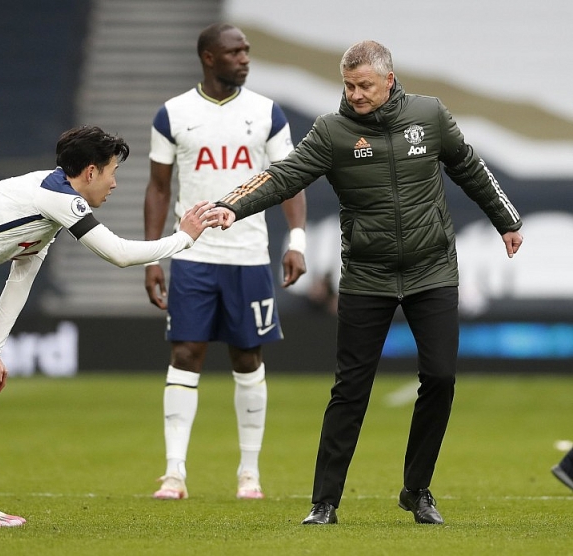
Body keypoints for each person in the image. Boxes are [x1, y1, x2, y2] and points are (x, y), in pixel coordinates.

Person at [209, 40, 523, 524]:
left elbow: (469, 166)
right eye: (348, 85)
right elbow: (284, 175)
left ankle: (417, 491)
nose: (354, 94)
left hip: (432, 269)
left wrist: (505, 218)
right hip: (367, 275)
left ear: (389, 81)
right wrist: (232, 204)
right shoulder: (332, 132)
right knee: (351, 389)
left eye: (364, 86)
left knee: (439, 377)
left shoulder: (430, 115)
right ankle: (325, 503)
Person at [0, 125, 217, 527]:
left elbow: (21, 277)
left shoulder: (48, 202)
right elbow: (119, 254)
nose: (115, 183)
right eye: (112, 171)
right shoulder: (58, 197)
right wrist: (184, 238)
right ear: (90, 172)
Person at [143, 23, 307, 501]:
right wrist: (154, 256)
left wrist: (296, 238)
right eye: (234, 52)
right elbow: (158, 188)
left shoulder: (266, 113)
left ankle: (249, 474)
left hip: (249, 257)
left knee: (247, 356)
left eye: (247, 50)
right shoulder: (173, 114)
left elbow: (290, 179)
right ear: (208, 58)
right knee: (185, 354)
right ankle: (174, 473)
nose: (245, 58)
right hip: (192, 255)